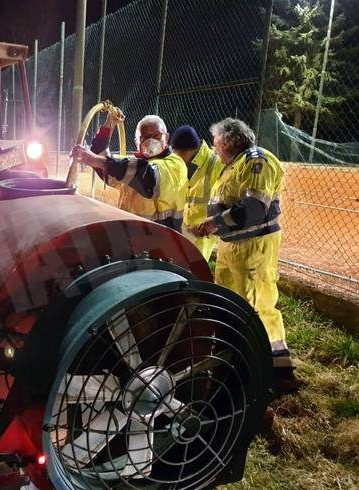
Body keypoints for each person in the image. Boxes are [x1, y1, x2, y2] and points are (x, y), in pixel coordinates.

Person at [193, 117, 299, 396]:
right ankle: (236, 363)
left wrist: (215, 223)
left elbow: (253, 208)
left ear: (227, 140)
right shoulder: (234, 165)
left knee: (257, 306)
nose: (214, 147)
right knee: (232, 305)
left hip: (253, 247)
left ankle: (277, 372)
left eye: (216, 142)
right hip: (233, 247)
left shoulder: (257, 161)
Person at [71, 110, 187, 232]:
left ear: (167, 137)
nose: (151, 141)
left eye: (157, 136)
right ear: (137, 142)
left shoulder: (175, 164)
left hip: (162, 240)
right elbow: (102, 159)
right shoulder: (130, 166)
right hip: (131, 237)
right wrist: (110, 124)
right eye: (145, 137)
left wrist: (98, 161)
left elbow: (149, 179)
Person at [170, 125, 223, 260]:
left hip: (202, 233)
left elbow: (225, 200)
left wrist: (214, 225)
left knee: (195, 270)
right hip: (181, 228)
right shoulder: (179, 162)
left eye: (179, 154)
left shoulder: (217, 164)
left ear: (191, 150)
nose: (177, 159)